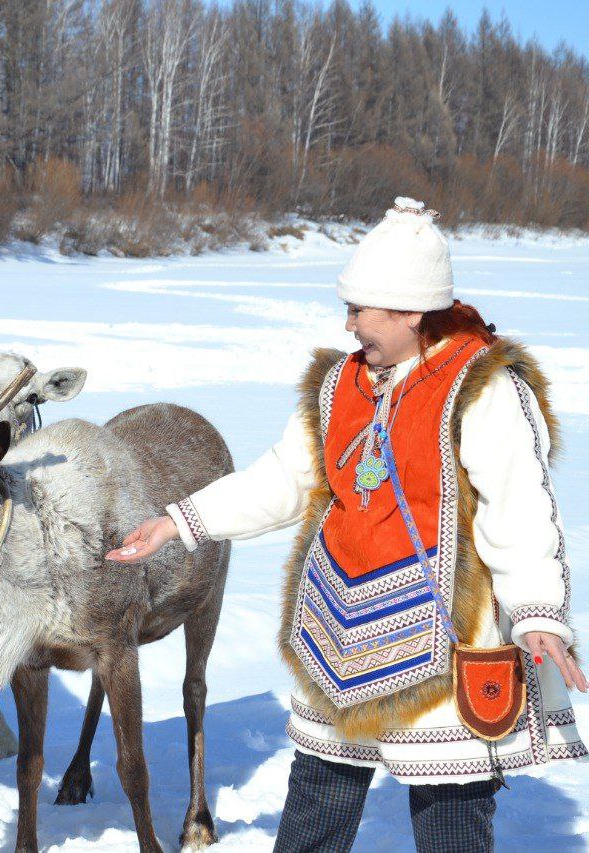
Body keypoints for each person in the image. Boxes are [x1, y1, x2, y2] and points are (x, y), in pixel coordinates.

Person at [108, 197, 587, 852]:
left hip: (442, 639)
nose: (349, 321)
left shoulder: (480, 387)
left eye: (362, 308)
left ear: (412, 310)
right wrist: (178, 522)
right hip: (340, 628)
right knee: (317, 803)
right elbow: (283, 479)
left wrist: (536, 611)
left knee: (450, 814)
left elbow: (519, 501)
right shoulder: (341, 385)